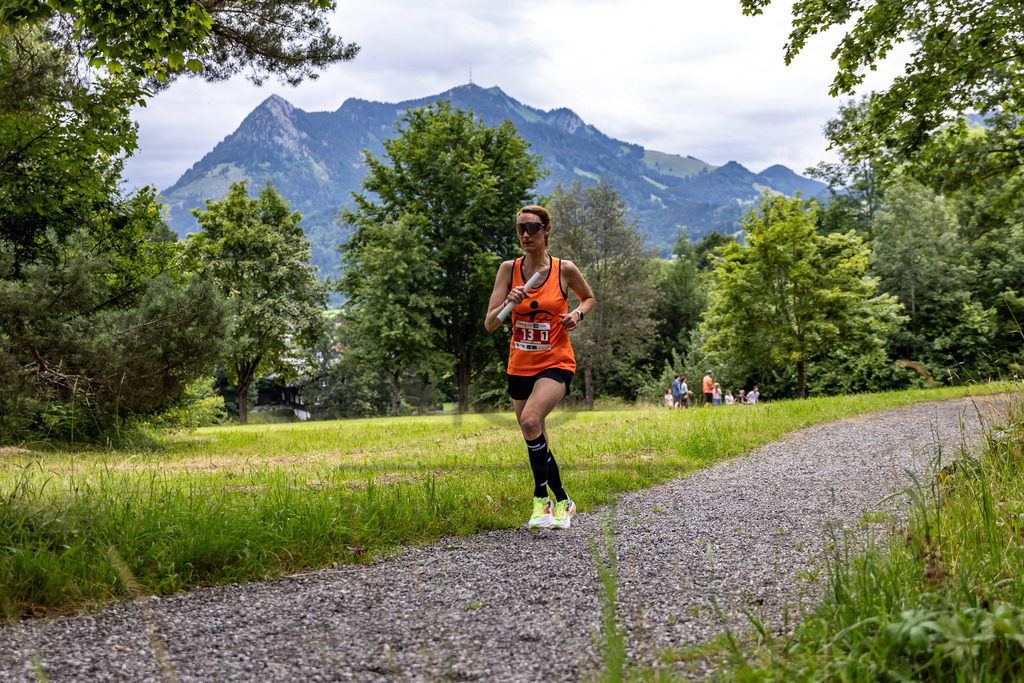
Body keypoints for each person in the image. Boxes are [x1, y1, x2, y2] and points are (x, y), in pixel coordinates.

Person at [485, 205, 595, 530]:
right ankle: (563, 500)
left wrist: (577, 314)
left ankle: (540, 499)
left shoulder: (565, 269)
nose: (526, 234)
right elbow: (490, 324)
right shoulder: (509, 270)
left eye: (533, 227)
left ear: (547, 230)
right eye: (520, 228)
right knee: (535, 433)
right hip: (520, 365)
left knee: (531, 420)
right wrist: (509, 302)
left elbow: (588, 298)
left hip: (556, 361)